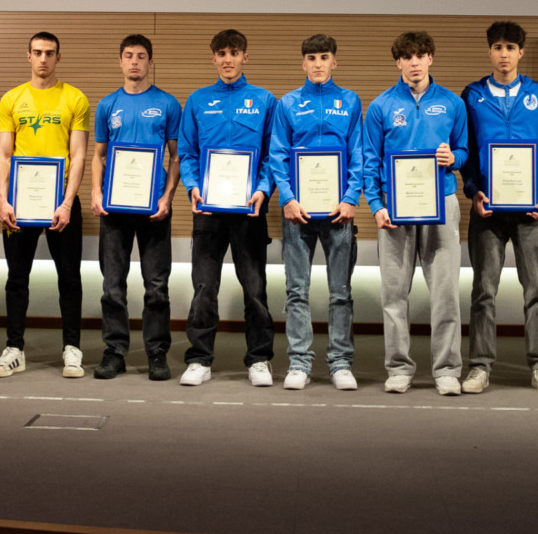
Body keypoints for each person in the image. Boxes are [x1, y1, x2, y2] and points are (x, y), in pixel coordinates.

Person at [460, 21, 538, 395]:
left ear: (521, 52)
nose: (504, 54)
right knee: (483, 292)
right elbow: (467, 150)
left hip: (530, 211)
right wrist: (474, 191)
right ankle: (479, 366)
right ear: (489, 51)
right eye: (497, 47)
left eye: (510, 48)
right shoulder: (472, 95)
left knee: (537, 291)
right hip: (487, 210)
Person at [364, 31, 467, 396]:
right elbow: (370, 161)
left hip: (442, 205)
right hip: (395, 209)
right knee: (394, 294)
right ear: (398, 62)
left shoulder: (453, 103)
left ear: (430, 58)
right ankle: (398, 368)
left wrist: (454, 158)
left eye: (420, 55)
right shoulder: (380, 106)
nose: (414, 63)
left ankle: (447, 370)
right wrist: (376, 206)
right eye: (407, 57)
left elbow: (464, 150)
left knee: (446, 293)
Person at [176, 29, 278, 387]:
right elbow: (187, 153)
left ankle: (260, 359)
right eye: (221, 53)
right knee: (204, 287)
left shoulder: (265, 100)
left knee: (255, 288)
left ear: (245, 57)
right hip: (208, 211)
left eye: (234, 53)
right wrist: (193, 186)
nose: (228, 59)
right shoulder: (198, 100)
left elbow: (272, 154)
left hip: (250, 210)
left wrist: (263, 189)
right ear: (214, 58)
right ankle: (199, 359)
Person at [268, 34, 364, 391]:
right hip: (298, 213)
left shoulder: (350, 101)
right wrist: (288, 199)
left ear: (334, 62)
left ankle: (341, 363)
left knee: (341, 292)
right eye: (311, 58)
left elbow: (358, 153)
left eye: (324, 57)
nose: (318, 63)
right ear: (303, 64)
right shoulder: (288, 103)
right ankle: (299, 362)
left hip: (339, 212)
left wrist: (351, 197)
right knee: (296, 291)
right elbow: (278, 154)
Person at [0, 31, 90, 379]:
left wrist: (67, 203)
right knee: (16, 278)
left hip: (62, 204)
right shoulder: (11, 99)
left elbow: (79, 155)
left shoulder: (75, 98)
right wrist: (3, 199)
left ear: (58, 57)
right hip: (20, 205)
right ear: (28, 56)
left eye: (50, 53)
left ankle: (72, 349)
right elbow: (4, 154)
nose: (43, 58)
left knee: (70, 278)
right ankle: (14, 350)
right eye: (37, 52)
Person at [90, 34, 182, 381]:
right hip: (115, 209)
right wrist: (96, 192)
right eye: (128, 55)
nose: (134, 62)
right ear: (120, 61)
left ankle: (157, 353)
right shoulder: (107, 105)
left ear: (150, 62)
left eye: (141, 56)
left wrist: (167, 197)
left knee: (156, 286)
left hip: (153, 209)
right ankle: (115, 351)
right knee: (112, 286)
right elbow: (99, 156)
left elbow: (176, 156)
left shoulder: (168, 104)